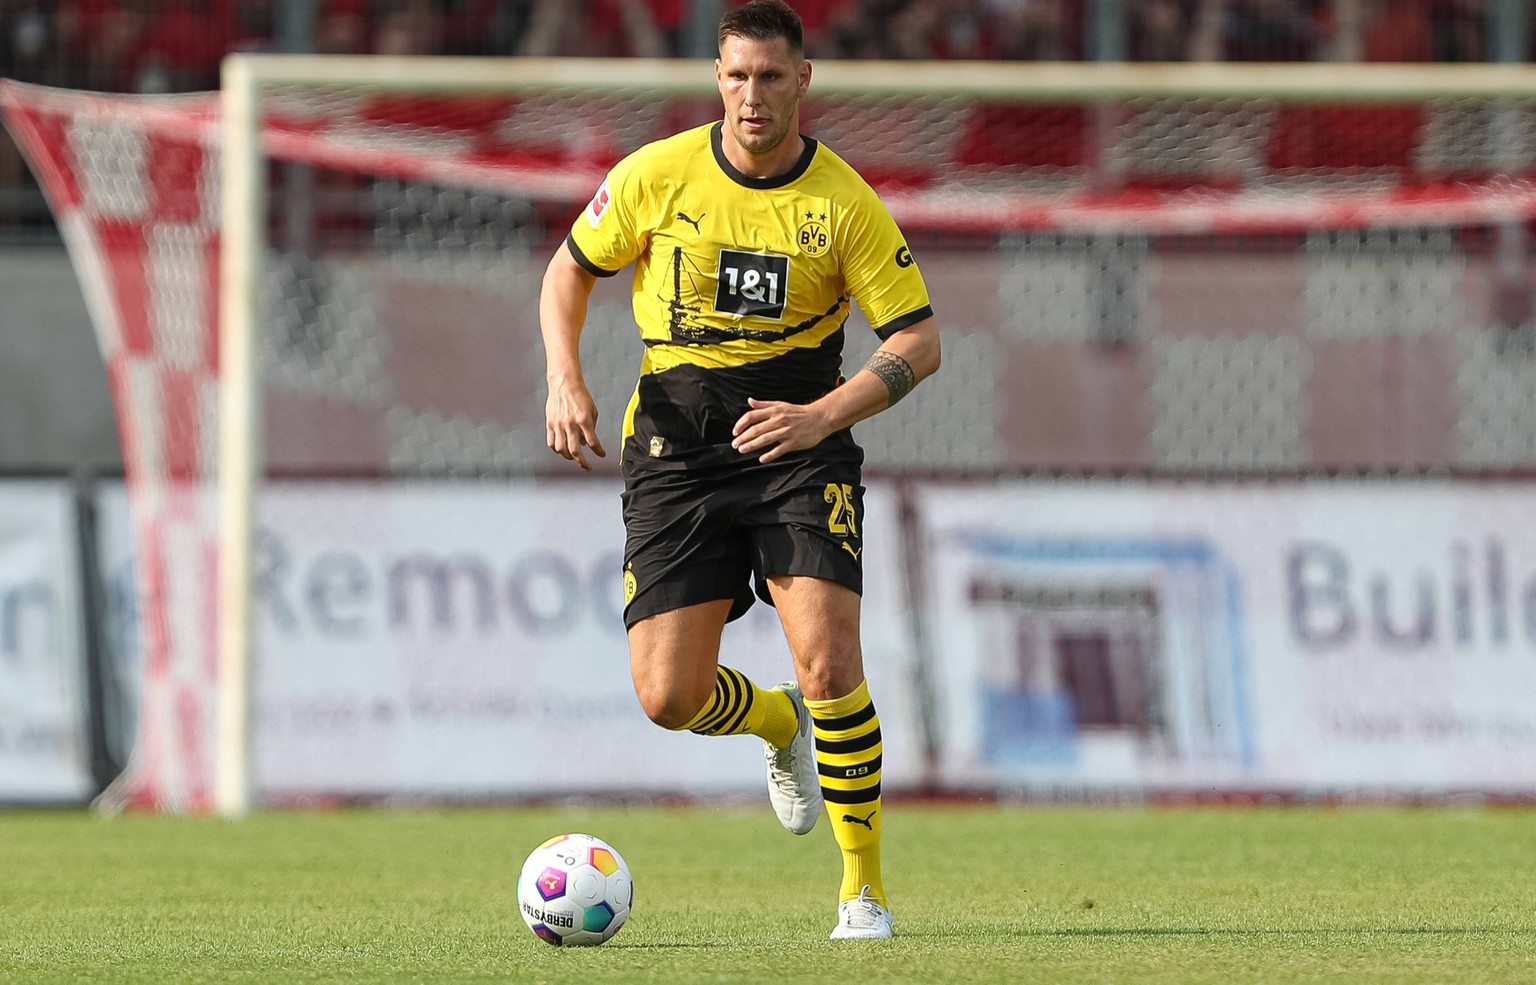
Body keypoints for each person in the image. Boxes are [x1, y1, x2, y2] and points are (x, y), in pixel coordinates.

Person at [537, 0, 940, 941]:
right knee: (669, 697)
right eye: (735, 77)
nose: (751, 96)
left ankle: (862, 891)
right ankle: (773, 724)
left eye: (769, 77)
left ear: (803, 81)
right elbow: (569, 269)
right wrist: (565, 378)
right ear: (716, 81)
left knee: (833, 660)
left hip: (799, 441)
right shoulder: (657, 174)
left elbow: (918, 339)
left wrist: (824, 415)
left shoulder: (843, 203)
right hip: (677, 445)